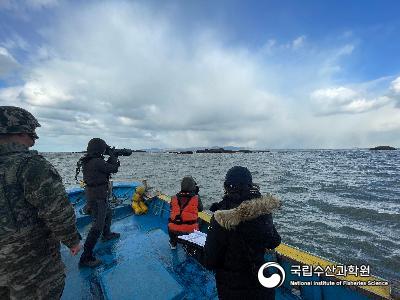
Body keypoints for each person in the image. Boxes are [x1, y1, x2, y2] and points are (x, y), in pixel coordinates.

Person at [0, 106, 81, 299]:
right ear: (16, 132)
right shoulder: (30, 165)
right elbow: (57, 210)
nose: (34, 139)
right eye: (31, 133)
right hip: (29, 264)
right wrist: (72, 240)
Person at [204, 166, 281, 300]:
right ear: (250, 185)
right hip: (262, 287)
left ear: (226, 187)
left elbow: (210, 261)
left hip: (232, 291)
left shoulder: (220, 217)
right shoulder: (262, 210)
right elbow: (274, 241)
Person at [78, 138, 120, 267]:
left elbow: (106, 168)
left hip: (95, 193)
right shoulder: (96, 162)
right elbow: (113, 168)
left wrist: (111, 155)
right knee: (97, 226)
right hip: (97, 196)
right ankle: (86, 257)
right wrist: (113, 155)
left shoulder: (90, 160)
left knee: (108, 213)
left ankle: (106, 235)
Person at [168, 176, 203, 249]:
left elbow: (172, 208)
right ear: (193, 186)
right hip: (189, 231)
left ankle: (173, 243)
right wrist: (196, 194)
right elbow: (200, 209)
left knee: (171, 220)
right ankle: (190, 243)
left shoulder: (173, 197)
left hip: (173, 231)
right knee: (200, 220)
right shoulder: (196, 198)